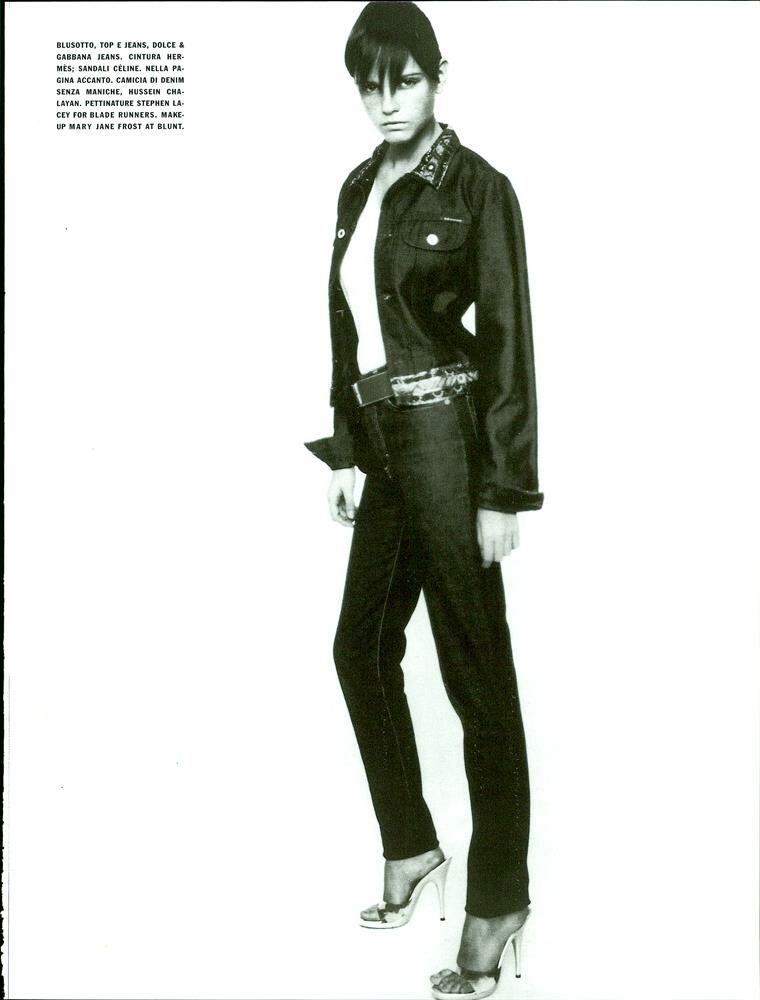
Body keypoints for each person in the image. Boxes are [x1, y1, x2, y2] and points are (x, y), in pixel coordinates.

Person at [304, 3, 543, 996]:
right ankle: (411, 846)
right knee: (359, 647)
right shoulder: (359, 186)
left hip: (451, 443)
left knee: (476, 678)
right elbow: (348, 325)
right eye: (370, 84)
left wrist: (503, 489)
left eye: (403, 80)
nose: (386, 101)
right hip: (385, 448)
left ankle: (498, 901)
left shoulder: (478, 187)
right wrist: (345, 452)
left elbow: (511, 341)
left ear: (437, 76)